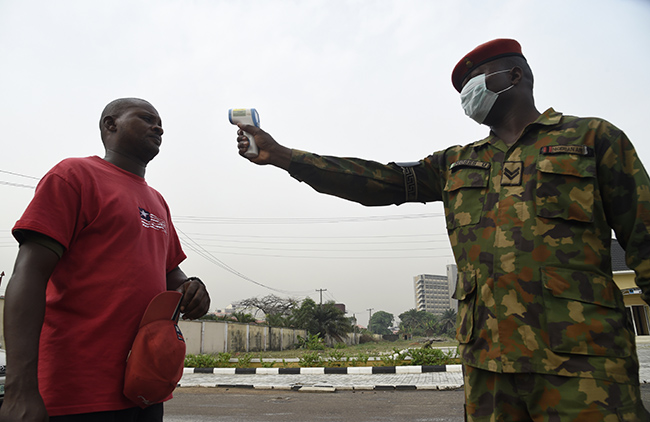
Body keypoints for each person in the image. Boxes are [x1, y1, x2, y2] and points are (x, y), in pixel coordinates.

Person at [236, 39, 650, 421]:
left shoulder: (593, 138)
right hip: (488, 367)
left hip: (585, 363)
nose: (467, 94)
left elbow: (645, 238)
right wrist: (286, 157)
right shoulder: (455, 163)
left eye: (473, 81)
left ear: (514, 76)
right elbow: (377, 180)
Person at [0, 98, 211, 422]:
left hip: (144, 387)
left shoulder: (157, 201)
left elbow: (171, 273)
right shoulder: (74, 176)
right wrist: (19, 388)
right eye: (146, 118)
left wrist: (192, 287)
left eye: (161, 123)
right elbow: (28, 276)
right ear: (110, 125)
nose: (159, 127)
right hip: (76, 394)